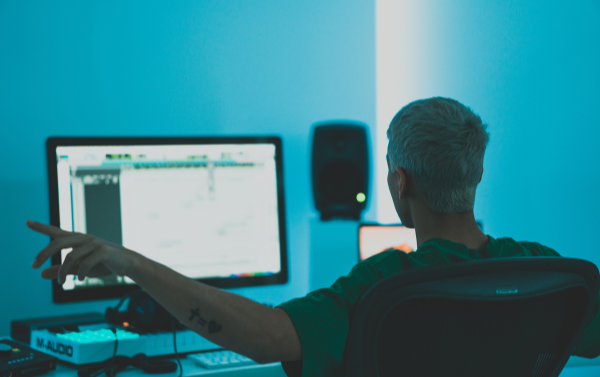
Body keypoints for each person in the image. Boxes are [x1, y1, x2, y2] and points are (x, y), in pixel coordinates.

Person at [28, 97, 600, 377]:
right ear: (476, 174)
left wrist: (134, 263)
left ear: (399, 183)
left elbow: (273, 338)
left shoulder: (391, 283)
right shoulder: (544, 271)